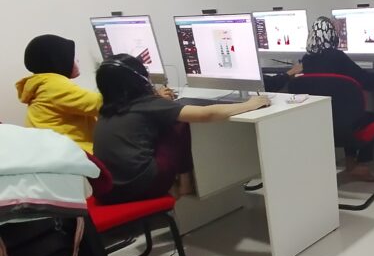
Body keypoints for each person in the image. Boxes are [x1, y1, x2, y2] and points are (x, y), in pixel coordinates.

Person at [93, 54, 271, 204]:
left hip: (108, 191)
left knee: (161, 123)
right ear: (139, 80)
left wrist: (158, 99)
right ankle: (185, 184)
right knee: (178, 122)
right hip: (141, 186)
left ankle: (180, 182)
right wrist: (250, 104)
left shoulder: (108, 109)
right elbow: (206, 114)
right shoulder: (146, 104)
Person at [299, 16, 374, 182]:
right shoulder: (337, 57)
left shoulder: (306, 60)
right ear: (331, 34)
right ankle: (361, 164)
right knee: (373, 118)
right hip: (344, 126)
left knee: (343, 112)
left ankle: (351, 164)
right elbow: (368, 82)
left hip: (321, 123)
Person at [16, 34, 102, 153]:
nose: (77, 60)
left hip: (53, 151)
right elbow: (99, 104)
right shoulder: (53, 85)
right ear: (59, 61)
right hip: (73, 153)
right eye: (73, 57)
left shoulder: (43, 84)